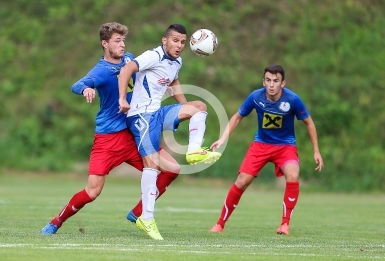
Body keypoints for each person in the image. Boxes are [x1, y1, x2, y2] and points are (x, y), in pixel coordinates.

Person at [40, 22, 180, 235]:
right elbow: (76, 85)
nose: (122, 45)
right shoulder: (101, 71)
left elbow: (148, 74)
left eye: (123, 40)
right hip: (109, 139)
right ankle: (56, 222)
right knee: (92, 191)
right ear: (105, 44)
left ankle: (138, 213)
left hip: (134, 133)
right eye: (117, 41)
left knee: (171, 169)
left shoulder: (129, 59)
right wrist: (86, 88)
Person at [118, 24, 221, 240]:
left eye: (183, 42)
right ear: (164, 40)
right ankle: (146, 218)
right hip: (141, 116)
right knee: (152, 165)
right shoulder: (152, 56)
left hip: (158, 112)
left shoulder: (177, 61)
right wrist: (122, 99)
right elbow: (127, 70)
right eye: (175, 40)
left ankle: (193, 151)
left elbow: (172, 82)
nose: (179, 45)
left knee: (199, 107)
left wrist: (186, 109)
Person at [209, 64, 324, 235]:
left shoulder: (292, 99)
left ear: (282, 83)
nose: (271, 84)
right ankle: (220, 224)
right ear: (264, 81)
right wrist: (223, 138)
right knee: (241, 182)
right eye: (268, 80)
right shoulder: (256, 97)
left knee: (293, 174)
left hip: (285, 147)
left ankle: (285, 224)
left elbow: (309, 123)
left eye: (276, 81)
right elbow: (237, 117)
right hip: (260, 146)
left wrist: (316, 150)